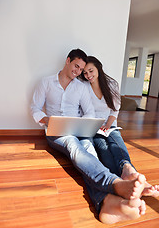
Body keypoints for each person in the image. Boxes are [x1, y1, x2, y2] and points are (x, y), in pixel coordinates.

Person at [31, 49, 146, 225]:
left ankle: (106, 203)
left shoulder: (81, 87)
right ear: (68, 61)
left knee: (90, 152)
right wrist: (47, 119)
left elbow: (89, 112)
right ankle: (114, 182)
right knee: (73, 147)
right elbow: (35, 108)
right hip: (56, 132)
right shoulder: (46, 82)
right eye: (76, 66)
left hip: (79, 129)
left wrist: (83, 125)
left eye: (81, 69)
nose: (78, 72)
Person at [80, 55, 159, 215]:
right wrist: (96, 126)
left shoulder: (111, 84)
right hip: (93, 127)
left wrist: (108, 125)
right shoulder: (83, 87)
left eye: (91, 71)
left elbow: (114, 110)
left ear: (98, 68)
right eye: (85, 73)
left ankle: (128, 169)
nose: (88, 75)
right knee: (103, 148)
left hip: (110, 125)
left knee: (115, 142)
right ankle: (131, 178)